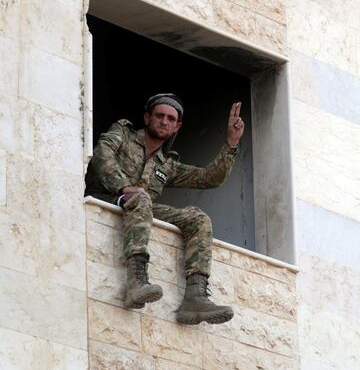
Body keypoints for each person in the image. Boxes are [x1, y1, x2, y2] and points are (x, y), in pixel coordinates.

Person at [84, 93, 245, 325]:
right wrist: (123, 186)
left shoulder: (167, 163)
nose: (164, 121)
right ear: (147, 118)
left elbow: (208, 178)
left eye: (171, 119)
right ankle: (137, 282)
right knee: (141, 198)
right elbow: (102, 155)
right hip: (106, 197)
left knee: (197, 218)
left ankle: (195, 298)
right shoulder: (123, 133)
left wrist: (231, 143)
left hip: (141, 207)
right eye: (159, 116)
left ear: (177, 126)